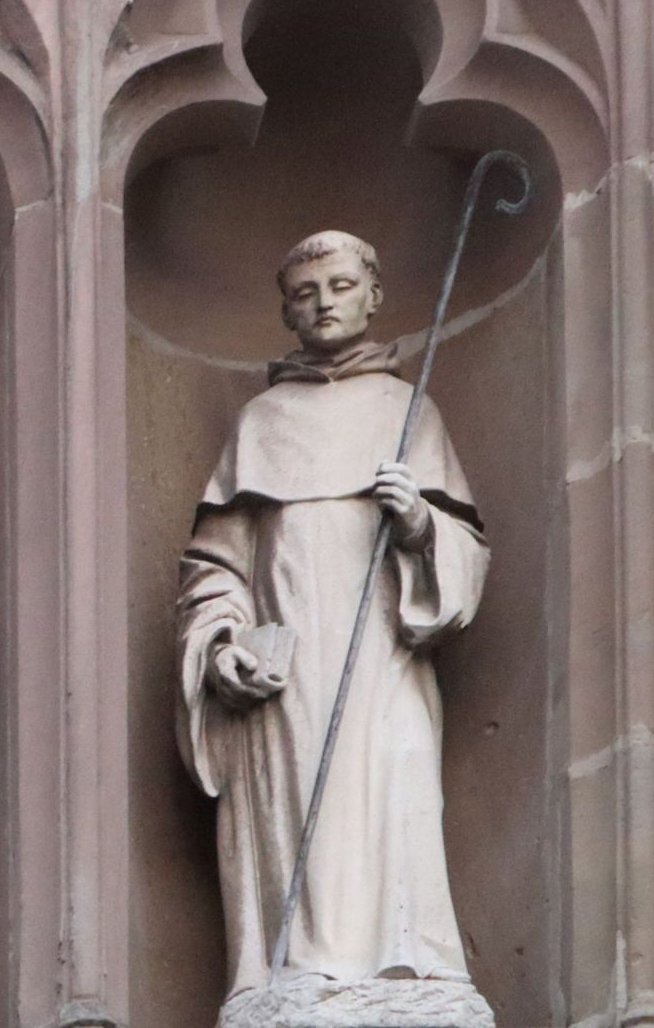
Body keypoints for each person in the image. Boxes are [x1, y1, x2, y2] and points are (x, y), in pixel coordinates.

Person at [177, 229, 489, 1005]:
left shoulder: (408, 411)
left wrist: (419, 525)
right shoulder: (260, 423)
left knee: (398, 794)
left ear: (374, 296)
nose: (325, 304)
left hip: (385, 658)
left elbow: (464, 554)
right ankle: (300, 975)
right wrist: (222, 649)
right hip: (291, 677)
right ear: (286, 310)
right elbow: (214, 570)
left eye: (342, 286)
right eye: (306, 293)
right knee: (297, 823)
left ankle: (406, 968)